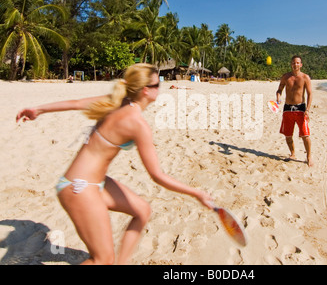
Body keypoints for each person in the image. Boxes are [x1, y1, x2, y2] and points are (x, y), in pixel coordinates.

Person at [16, 63, 214, 265]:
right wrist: (196, 193)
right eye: (157, 85)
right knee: (102, 260)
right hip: (80, 188)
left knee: (142, 211)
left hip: (93, 182)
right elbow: (157, 176)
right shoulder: (137, 124)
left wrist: (38, 109)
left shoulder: (117, 101)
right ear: (146, 90)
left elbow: (76, 103)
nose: (159, 88)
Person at [276, 55, 313, 167]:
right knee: (288, 135)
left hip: (301, 109)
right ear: (291, 64)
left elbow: (310, 94)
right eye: (293, 62)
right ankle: (292, 154)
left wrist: (307, 109)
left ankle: (309, 157)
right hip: (287, 109)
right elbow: (279, 89)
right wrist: (278, 97)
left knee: (305, 135)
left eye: (297, 63)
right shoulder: (286, 77)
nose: (295, 64)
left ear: (301, 64)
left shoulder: (305, 77)